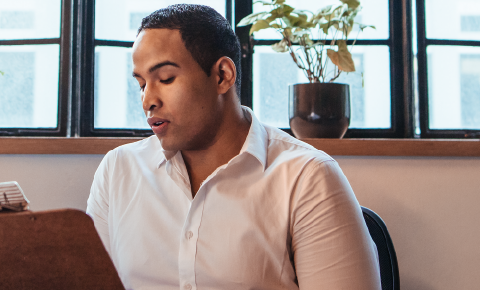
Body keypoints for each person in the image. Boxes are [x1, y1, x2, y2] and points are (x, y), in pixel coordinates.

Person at [86, 4, 381, 289]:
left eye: (165, 79)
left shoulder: (308, 177)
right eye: (141, 84)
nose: (148, 101)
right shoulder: (117, 171)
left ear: (222, 76)